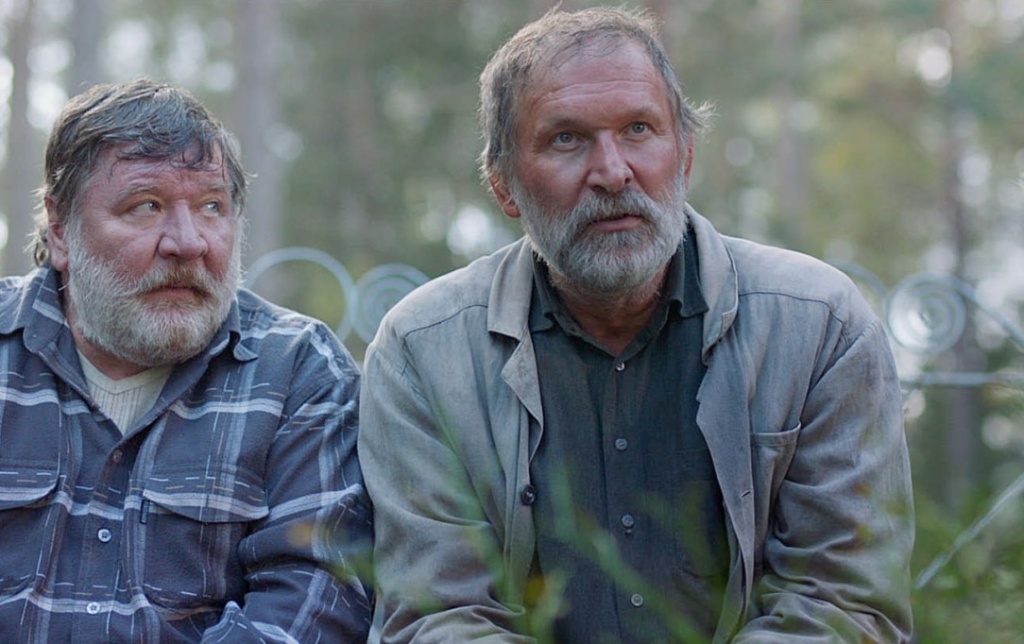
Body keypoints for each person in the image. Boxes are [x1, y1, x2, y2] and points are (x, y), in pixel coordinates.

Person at [359, 6, 914, 643]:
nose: (613, 172)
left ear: (686, 154)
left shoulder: (819, 327)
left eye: (639, 129)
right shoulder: (422, 353)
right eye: (566, 139)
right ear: (504, 185)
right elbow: (437, 615)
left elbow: (843, 603)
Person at [0, 79, 372, 641]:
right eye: (145, 206)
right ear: (60, 230)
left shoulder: (298, 371)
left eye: (212, 207)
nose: (189, 242)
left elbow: (314, 603)